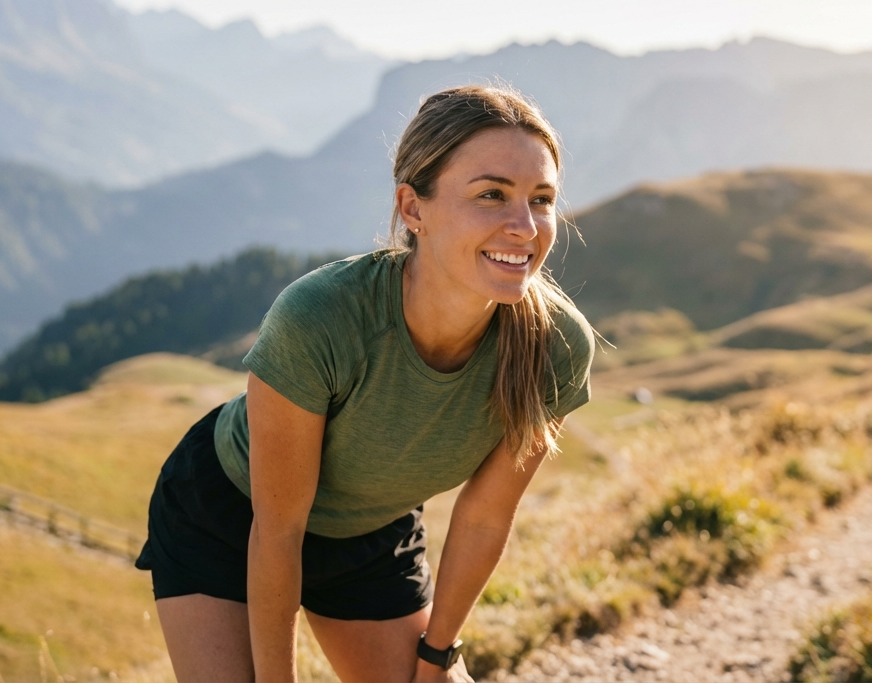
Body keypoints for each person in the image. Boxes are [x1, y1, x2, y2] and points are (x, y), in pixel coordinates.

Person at [135, 85, 596, 682]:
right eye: (491, 195)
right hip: (229, 515)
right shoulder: (321, 316)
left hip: (371, 532)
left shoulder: (555, 346)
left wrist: (436, 656)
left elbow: (484, 517)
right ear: (413, 209)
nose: (524, 226)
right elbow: (279, 531)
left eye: (541, 200)